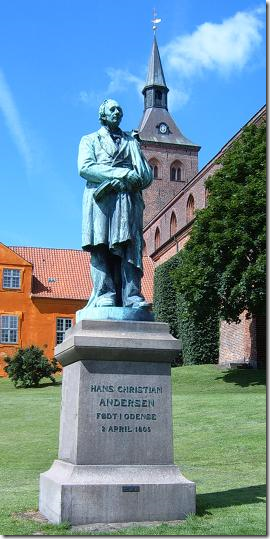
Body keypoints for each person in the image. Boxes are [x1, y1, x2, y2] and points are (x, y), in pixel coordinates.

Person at [78, 98, 153, 308]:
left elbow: (146, 177)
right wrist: (122, 173)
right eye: (112, 109)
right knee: (100, 246)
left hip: (128, 200)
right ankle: (104, 294)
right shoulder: (89, 140)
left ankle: (132, 296)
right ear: (103, 114)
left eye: (120, 109)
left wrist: (137, 150)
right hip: (101, 200)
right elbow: (85, 168)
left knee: (131, 247)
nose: (117, 112)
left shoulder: (130, 141)